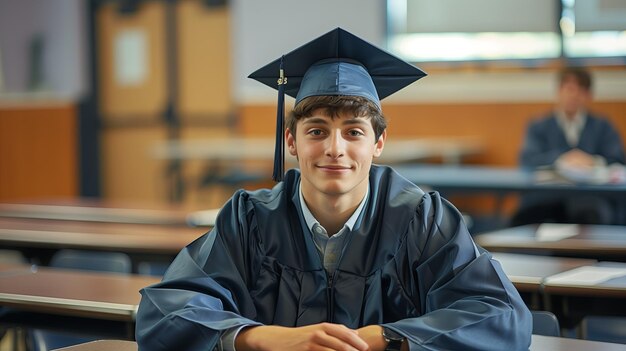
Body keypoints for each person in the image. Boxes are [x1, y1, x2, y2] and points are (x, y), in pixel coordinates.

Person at [136, 28, 531, 351]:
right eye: (317, 131)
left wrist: (384, 338)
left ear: (378, 143)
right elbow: (164, 313)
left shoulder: (422, 220)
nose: (334, 149)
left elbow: (501, 315)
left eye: (353, 132)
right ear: (291, 141)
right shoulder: (250, 220)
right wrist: (262, 338)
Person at [512, 67, 626, 226]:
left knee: (595, 215)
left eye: (580, 91)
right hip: (547, 196)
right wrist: (562, 159)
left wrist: (591, 161)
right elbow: (528, 159)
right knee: (523, 218)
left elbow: (618, 158)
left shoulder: (602, 126)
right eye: (569, 89)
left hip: (591, 197)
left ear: (588, 95)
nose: (573, 95)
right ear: (559, 91)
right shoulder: (538, 126)